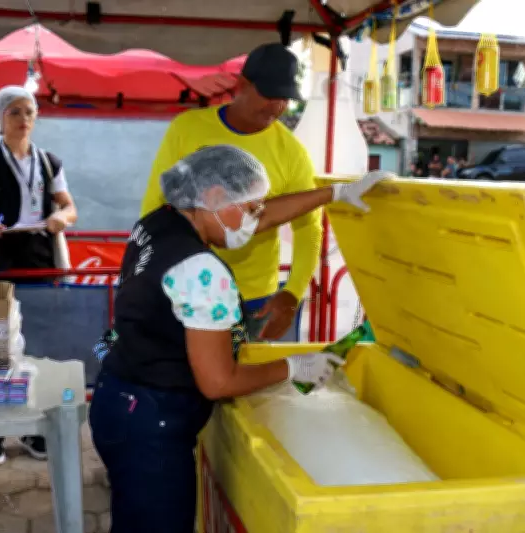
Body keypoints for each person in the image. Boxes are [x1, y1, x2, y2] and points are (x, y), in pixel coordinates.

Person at [90, 145, 385, 533]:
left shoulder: (159, 222)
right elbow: (218, 383)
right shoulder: (201, 272)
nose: (255, 219)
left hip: (117, 397)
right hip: (152, 422)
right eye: (250, 208)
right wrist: (294, 366)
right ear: (214, 197)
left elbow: (257, 217)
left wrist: (336, 193)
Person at [140, 43, 321, 342]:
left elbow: (309, 228)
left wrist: (293, 292)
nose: (276, 106)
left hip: (254, 299)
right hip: (187, 289)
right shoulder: (187, 128)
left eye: (285, 99)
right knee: (190, 370)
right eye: (269, 95)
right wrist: (150, 273)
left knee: (245, 373)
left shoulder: (292, 152)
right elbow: (154, 206)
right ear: (242, 85)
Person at [0, 85, 78, 468]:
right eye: (15, 112)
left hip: (37, 262)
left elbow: (69, 207)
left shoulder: (50, 161)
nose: (24, 119)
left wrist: (61, 217)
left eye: (29, 112)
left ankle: (32, 428)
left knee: (34, 346)